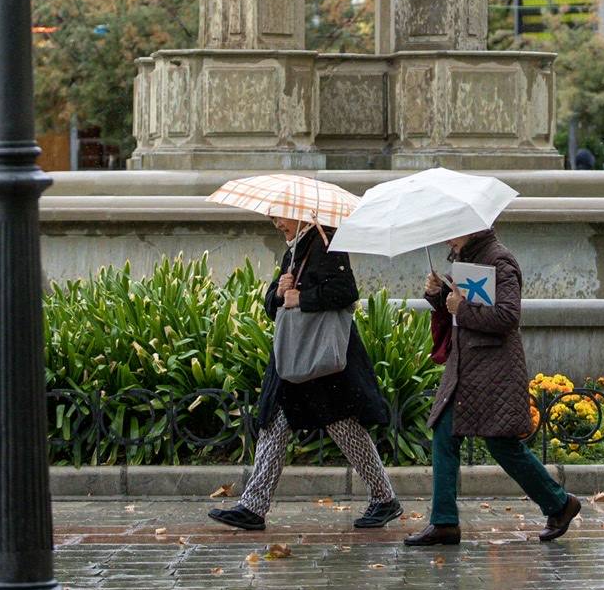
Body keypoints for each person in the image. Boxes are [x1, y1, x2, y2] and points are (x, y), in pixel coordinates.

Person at [209, 215, 402, 532]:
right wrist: (279, 292)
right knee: (275, 422)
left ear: (301, 213)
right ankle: (253, 506)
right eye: (272, 217)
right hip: (295, 354)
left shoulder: (327, 244)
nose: (276, 223)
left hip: (320, 357)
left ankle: (384, 497)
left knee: (343, 427)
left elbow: (346, 291)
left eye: (279, 216)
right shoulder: (296, 248)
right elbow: (274, 305)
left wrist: (303, 298)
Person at [404, 228, 581, 547]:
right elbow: (461, 307)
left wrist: (461, 308)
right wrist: (439, 295)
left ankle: (559, 504)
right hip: (466, 367)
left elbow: (508, 316)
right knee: (444, 432)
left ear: (472, 230)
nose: (448, 240)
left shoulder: (500, 260)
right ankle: (444, 521)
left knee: (502, 444)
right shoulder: (468, 258)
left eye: (453, 233)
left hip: (493, 369)